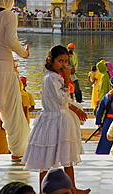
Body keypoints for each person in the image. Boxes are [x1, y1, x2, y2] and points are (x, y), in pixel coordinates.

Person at [22, 45, 90, 194]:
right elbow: (61, 99)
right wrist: (67, 80)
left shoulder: (52, 77)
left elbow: (62, 101)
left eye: (66, 62)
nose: (64, 65)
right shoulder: (52, 79)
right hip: (55, 120)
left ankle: (70, 188)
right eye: (60, 61)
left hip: (57, 118)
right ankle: (46, 190)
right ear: (50, 60)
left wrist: (76, 109)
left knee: (67, 155)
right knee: (47, 158)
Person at [0, 0, 30, 161]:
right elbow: (11, 41)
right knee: (11, 111)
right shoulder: (8, 16)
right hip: (3, 67)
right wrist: (24, 53)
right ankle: (17, 152)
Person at [95, 74, 113, 154]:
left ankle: (101, 153)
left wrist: (99, 122)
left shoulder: (106, 96)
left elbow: (99, 111)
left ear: (111, 85)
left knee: (105, 138)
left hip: (106, 121)